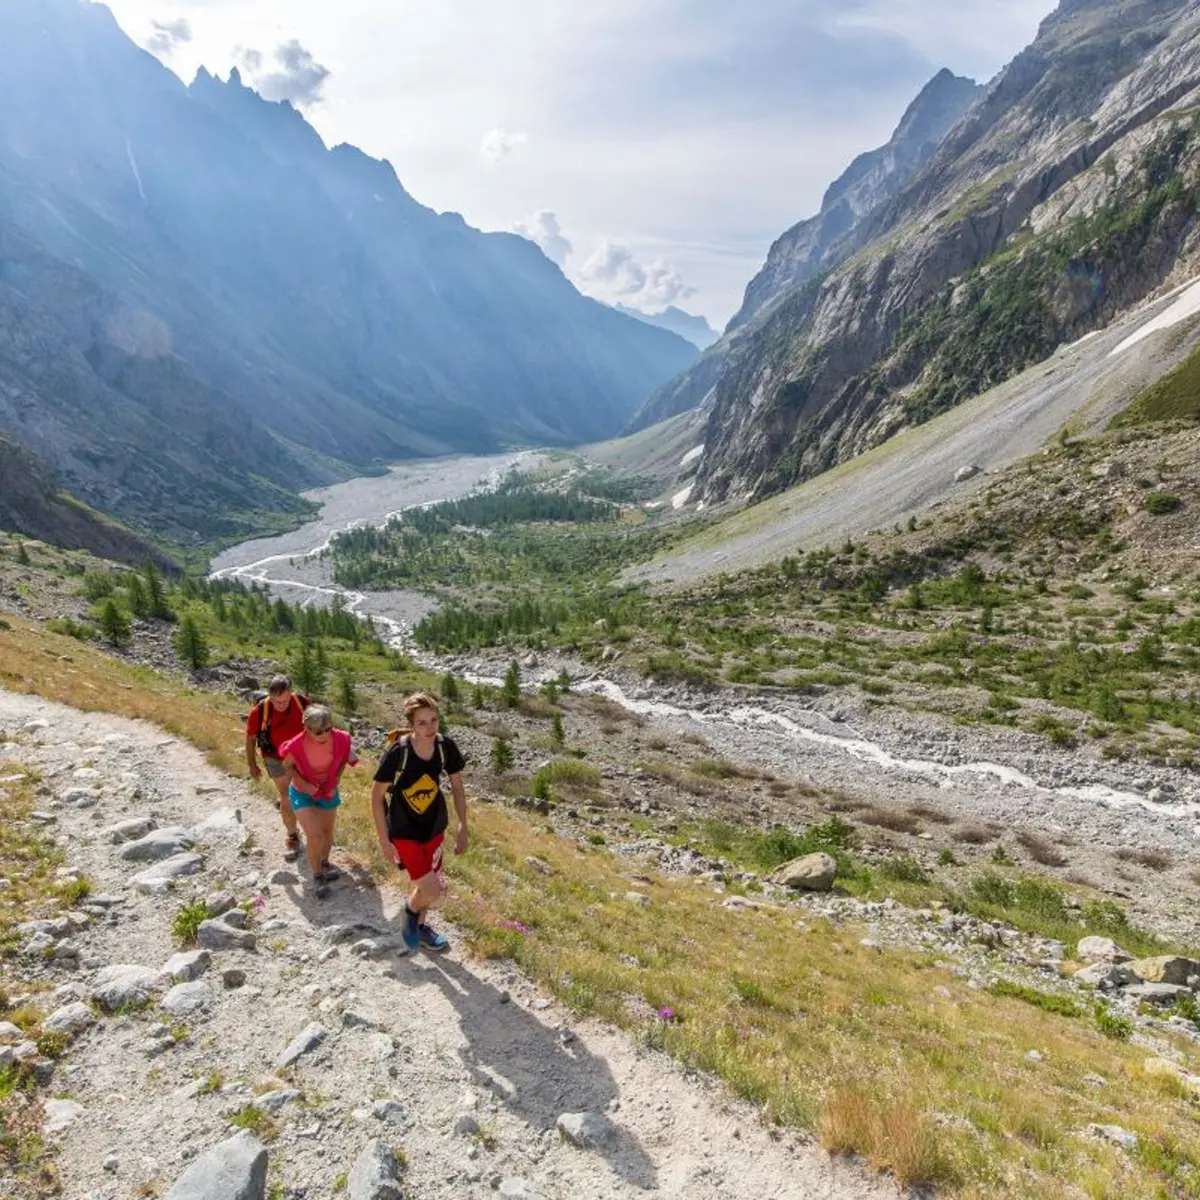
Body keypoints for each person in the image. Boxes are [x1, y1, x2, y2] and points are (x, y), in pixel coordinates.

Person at [371, 692, 468, 953]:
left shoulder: (445, 747)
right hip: (404, 831)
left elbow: (457, 787)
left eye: (434, 720)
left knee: (429, 883)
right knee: (433, 890)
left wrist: (462, 826)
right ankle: (409, 912)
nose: (429, 727)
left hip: (434, 827)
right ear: (411, 724)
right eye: (422, 722)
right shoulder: (398, 753)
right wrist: (384, 840)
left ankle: (421, 928)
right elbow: (376, 796)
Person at [279, 705, 356, 897]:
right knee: (314, 836)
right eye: (318, 732)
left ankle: (324, 861)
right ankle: (317, 876)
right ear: (306, 728)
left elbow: (344, 758)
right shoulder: (296, 745)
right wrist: (303, 784)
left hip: (327, 789)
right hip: (302, 792)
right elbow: (287, 766)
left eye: (328, 729)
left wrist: (336, 779)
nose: (323, 735)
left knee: (326, 832)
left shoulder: (341, 738)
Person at [245, 675, 309, 861]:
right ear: (269, 696)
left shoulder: (302, 703)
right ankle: (292, 835)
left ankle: (310, 829)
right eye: (276, 701)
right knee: (286, 795)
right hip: (274, 757)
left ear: (291, 693)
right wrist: (252, 764)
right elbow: (250, 739)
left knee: (303, 792)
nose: (280, 705)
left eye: (285, 701)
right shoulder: (259, 711)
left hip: (300, 756)